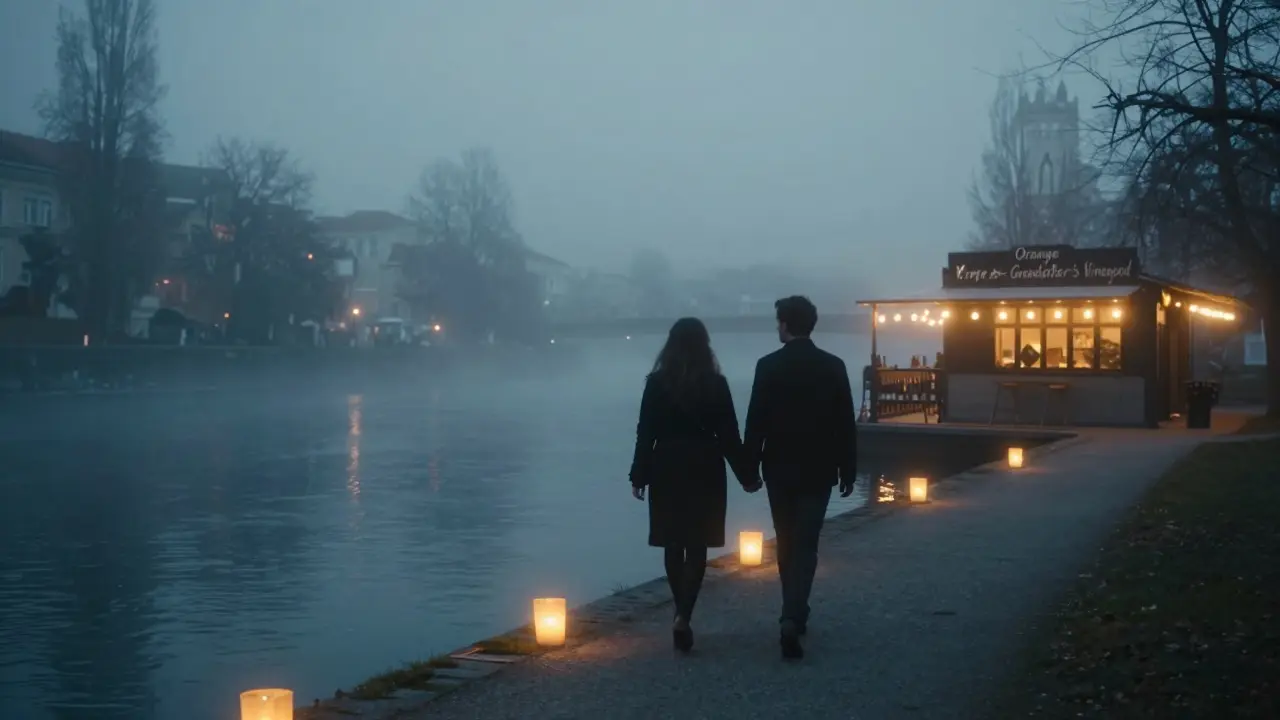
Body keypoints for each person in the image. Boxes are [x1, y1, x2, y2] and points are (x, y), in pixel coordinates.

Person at [629, 317, 761, 653]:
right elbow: (730, 436)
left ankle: (679, 611)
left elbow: (646, 433)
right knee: (697, 544)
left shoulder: (656, 384)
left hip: (667, 465)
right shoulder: (716, 384)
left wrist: (639, 475)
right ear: (705, 346)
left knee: (673, 543)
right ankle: (684, 614)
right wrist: (747, 475)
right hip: (704, 465)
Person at [744, 295, 858, 660]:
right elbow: (845, 423)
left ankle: (791, 611)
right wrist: (848, 468)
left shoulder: (767, 366)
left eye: (778, 321)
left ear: (785, 324)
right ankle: (794, 613)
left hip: (778, 467)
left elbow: (755, 422)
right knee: (807, 543)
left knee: (787, 540)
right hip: (819, 467)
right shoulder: (833, 366)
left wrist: (749, 468)